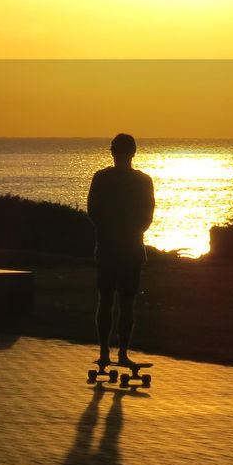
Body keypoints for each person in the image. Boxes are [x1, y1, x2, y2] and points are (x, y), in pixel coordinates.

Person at [86, 133, 155, 367]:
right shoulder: (144, 181)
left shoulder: (101, 178)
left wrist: (109, 231)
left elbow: (93, 211)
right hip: (131, 248)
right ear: (134, 152)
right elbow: (147, 216)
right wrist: (132, 232)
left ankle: (105, 353)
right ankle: (122, 354)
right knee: (126, 302)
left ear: (112, 152)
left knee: (105, 300)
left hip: (107, 247)